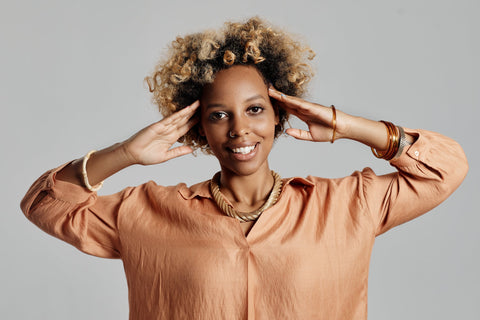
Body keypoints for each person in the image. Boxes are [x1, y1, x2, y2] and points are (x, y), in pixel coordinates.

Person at [21, 17, 468, 320]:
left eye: (255, 109)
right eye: (219, 115)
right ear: (199, 127)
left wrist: (348, 125)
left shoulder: (348, 205)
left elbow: (446, 168)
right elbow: (44, 205)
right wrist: (125, 153)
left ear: (279, 115)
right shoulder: (146, 212)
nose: (239, 129)